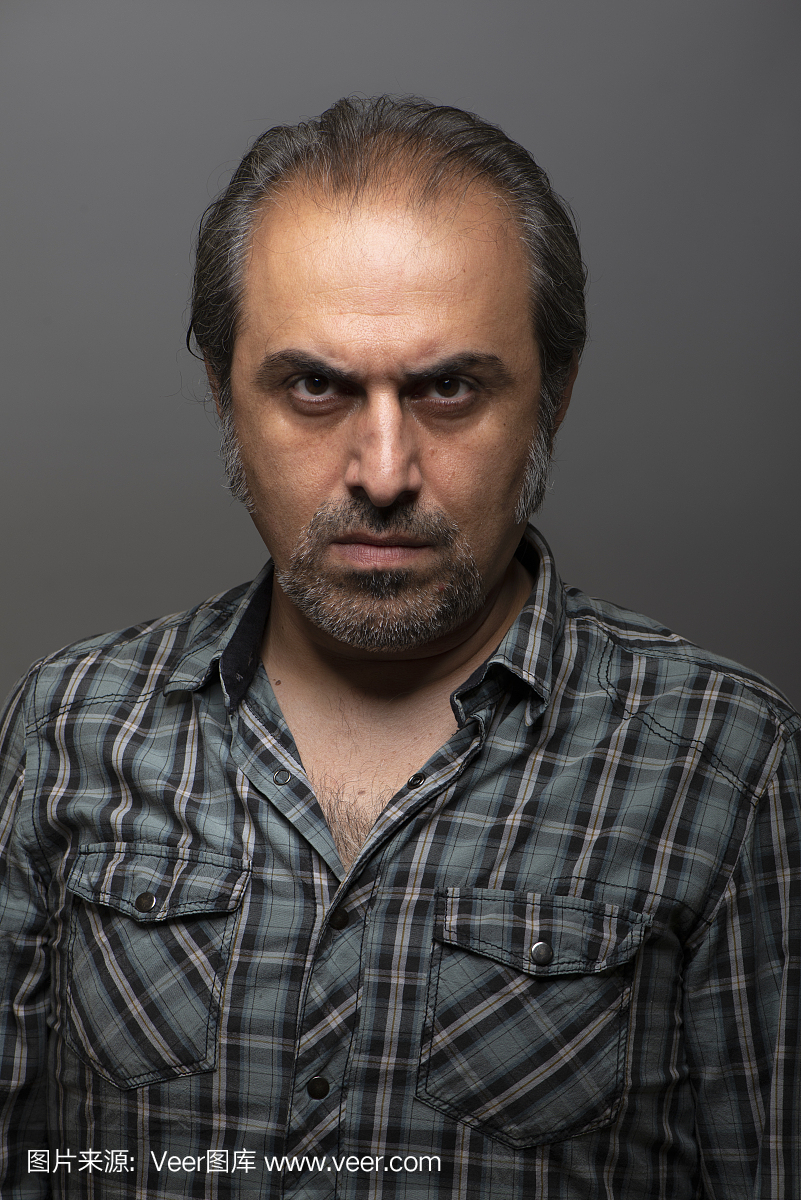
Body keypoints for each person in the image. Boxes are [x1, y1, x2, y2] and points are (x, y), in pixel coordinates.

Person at [0, 95, 798, 1200]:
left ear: (554, 398)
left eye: (449, 388)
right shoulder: (70, 725)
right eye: (315, 386)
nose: (383, 472)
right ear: (225, 398)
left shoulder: (731, 766)